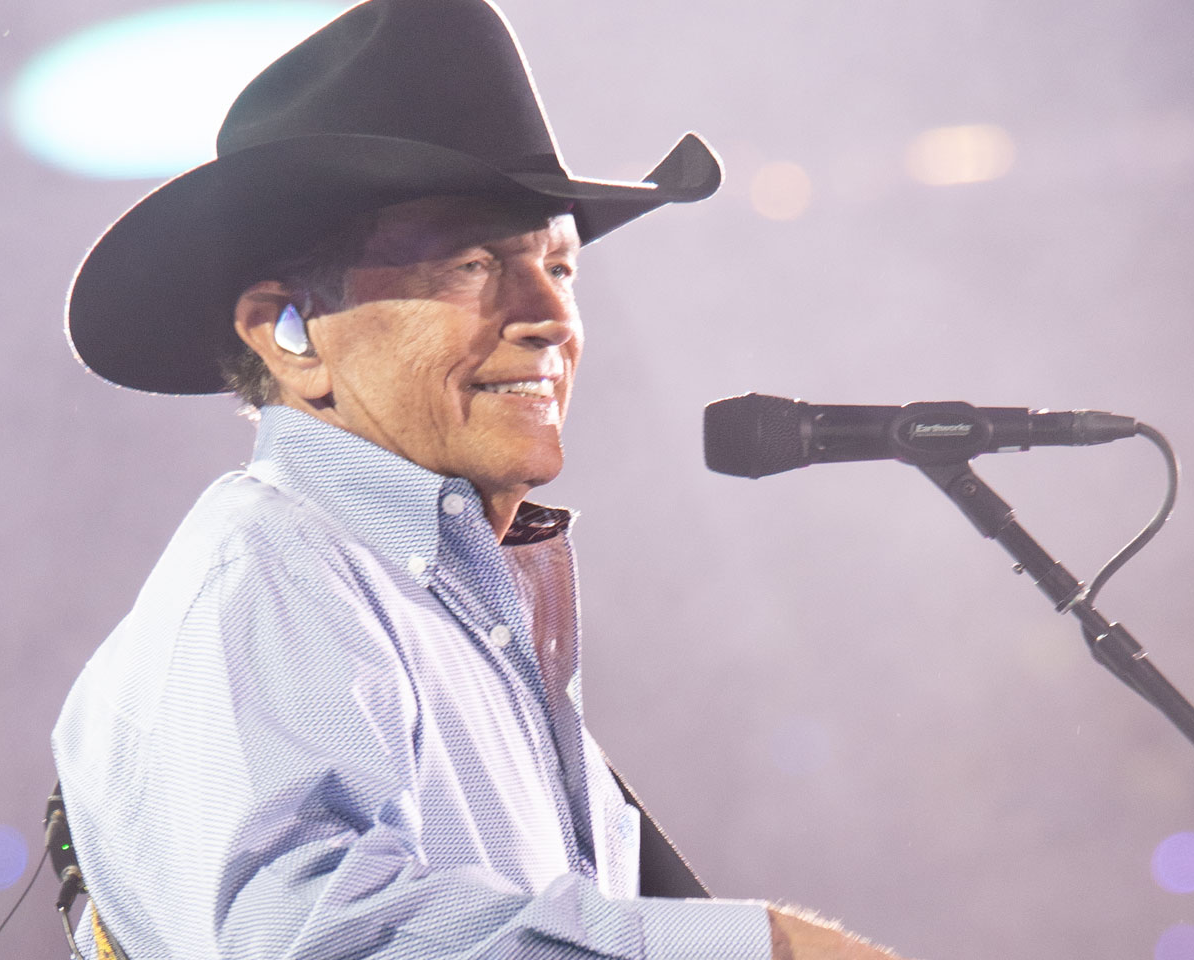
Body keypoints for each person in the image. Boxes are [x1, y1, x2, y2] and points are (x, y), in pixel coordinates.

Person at [51, 1, 906, 957]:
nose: (548, 314)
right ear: (287, 335)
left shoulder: (429, 600)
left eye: (560, 265)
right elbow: (313, 941)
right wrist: (757, 950)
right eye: (470, 265)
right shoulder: (274, 573)